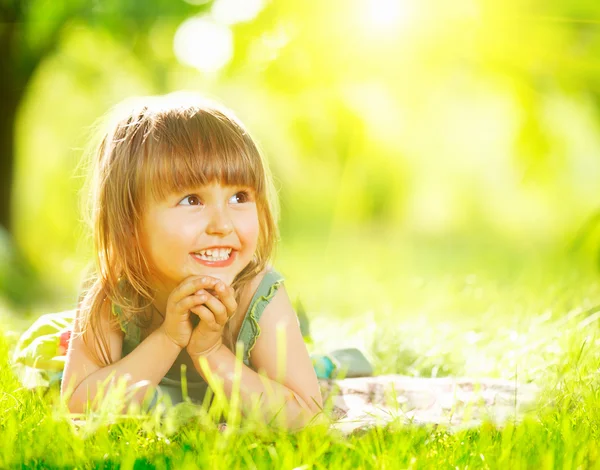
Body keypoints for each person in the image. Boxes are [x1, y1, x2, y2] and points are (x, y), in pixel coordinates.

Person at [59, 92, 324, 430]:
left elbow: (309, 419)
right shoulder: (113, 289)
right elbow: (78, 405)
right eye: (191, 200)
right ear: (130, 220)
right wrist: (168, 338)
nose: (222, 225)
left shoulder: (258, 292)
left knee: (304, 361)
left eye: (239, 197)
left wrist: (211, 353)